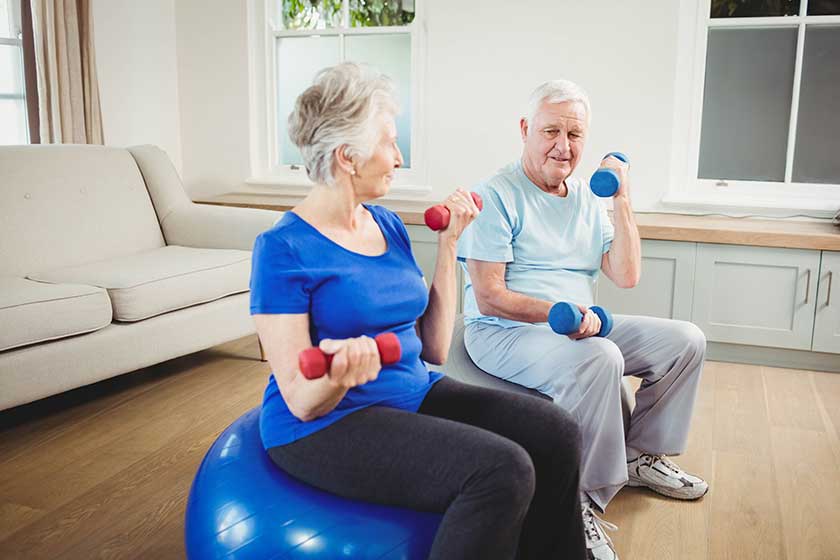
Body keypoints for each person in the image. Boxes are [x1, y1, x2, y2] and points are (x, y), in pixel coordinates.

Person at [250, 63, 586, 560]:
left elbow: (431, 347)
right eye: (389, 143)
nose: (399, 157)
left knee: (557, 431)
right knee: (502, 469)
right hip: (325, 424)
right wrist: (342, 375)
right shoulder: (282, 249)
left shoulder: (385, 224)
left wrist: (450, 245)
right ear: (348, 157)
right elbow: (302, 399)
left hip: (412, 390)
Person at [457, 79, 709, 560]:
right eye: (551, 131)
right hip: (505, 332)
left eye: (575, 135)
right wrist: (559, 315)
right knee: (599, 357)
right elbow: (489, 298)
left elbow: (627, 275)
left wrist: (622, 198)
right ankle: (577, 503)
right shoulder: (495, 194)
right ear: (526, 129)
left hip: (580, 324)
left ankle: (639, 459)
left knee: (685, 340)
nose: (563, 145)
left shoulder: (590, 199)